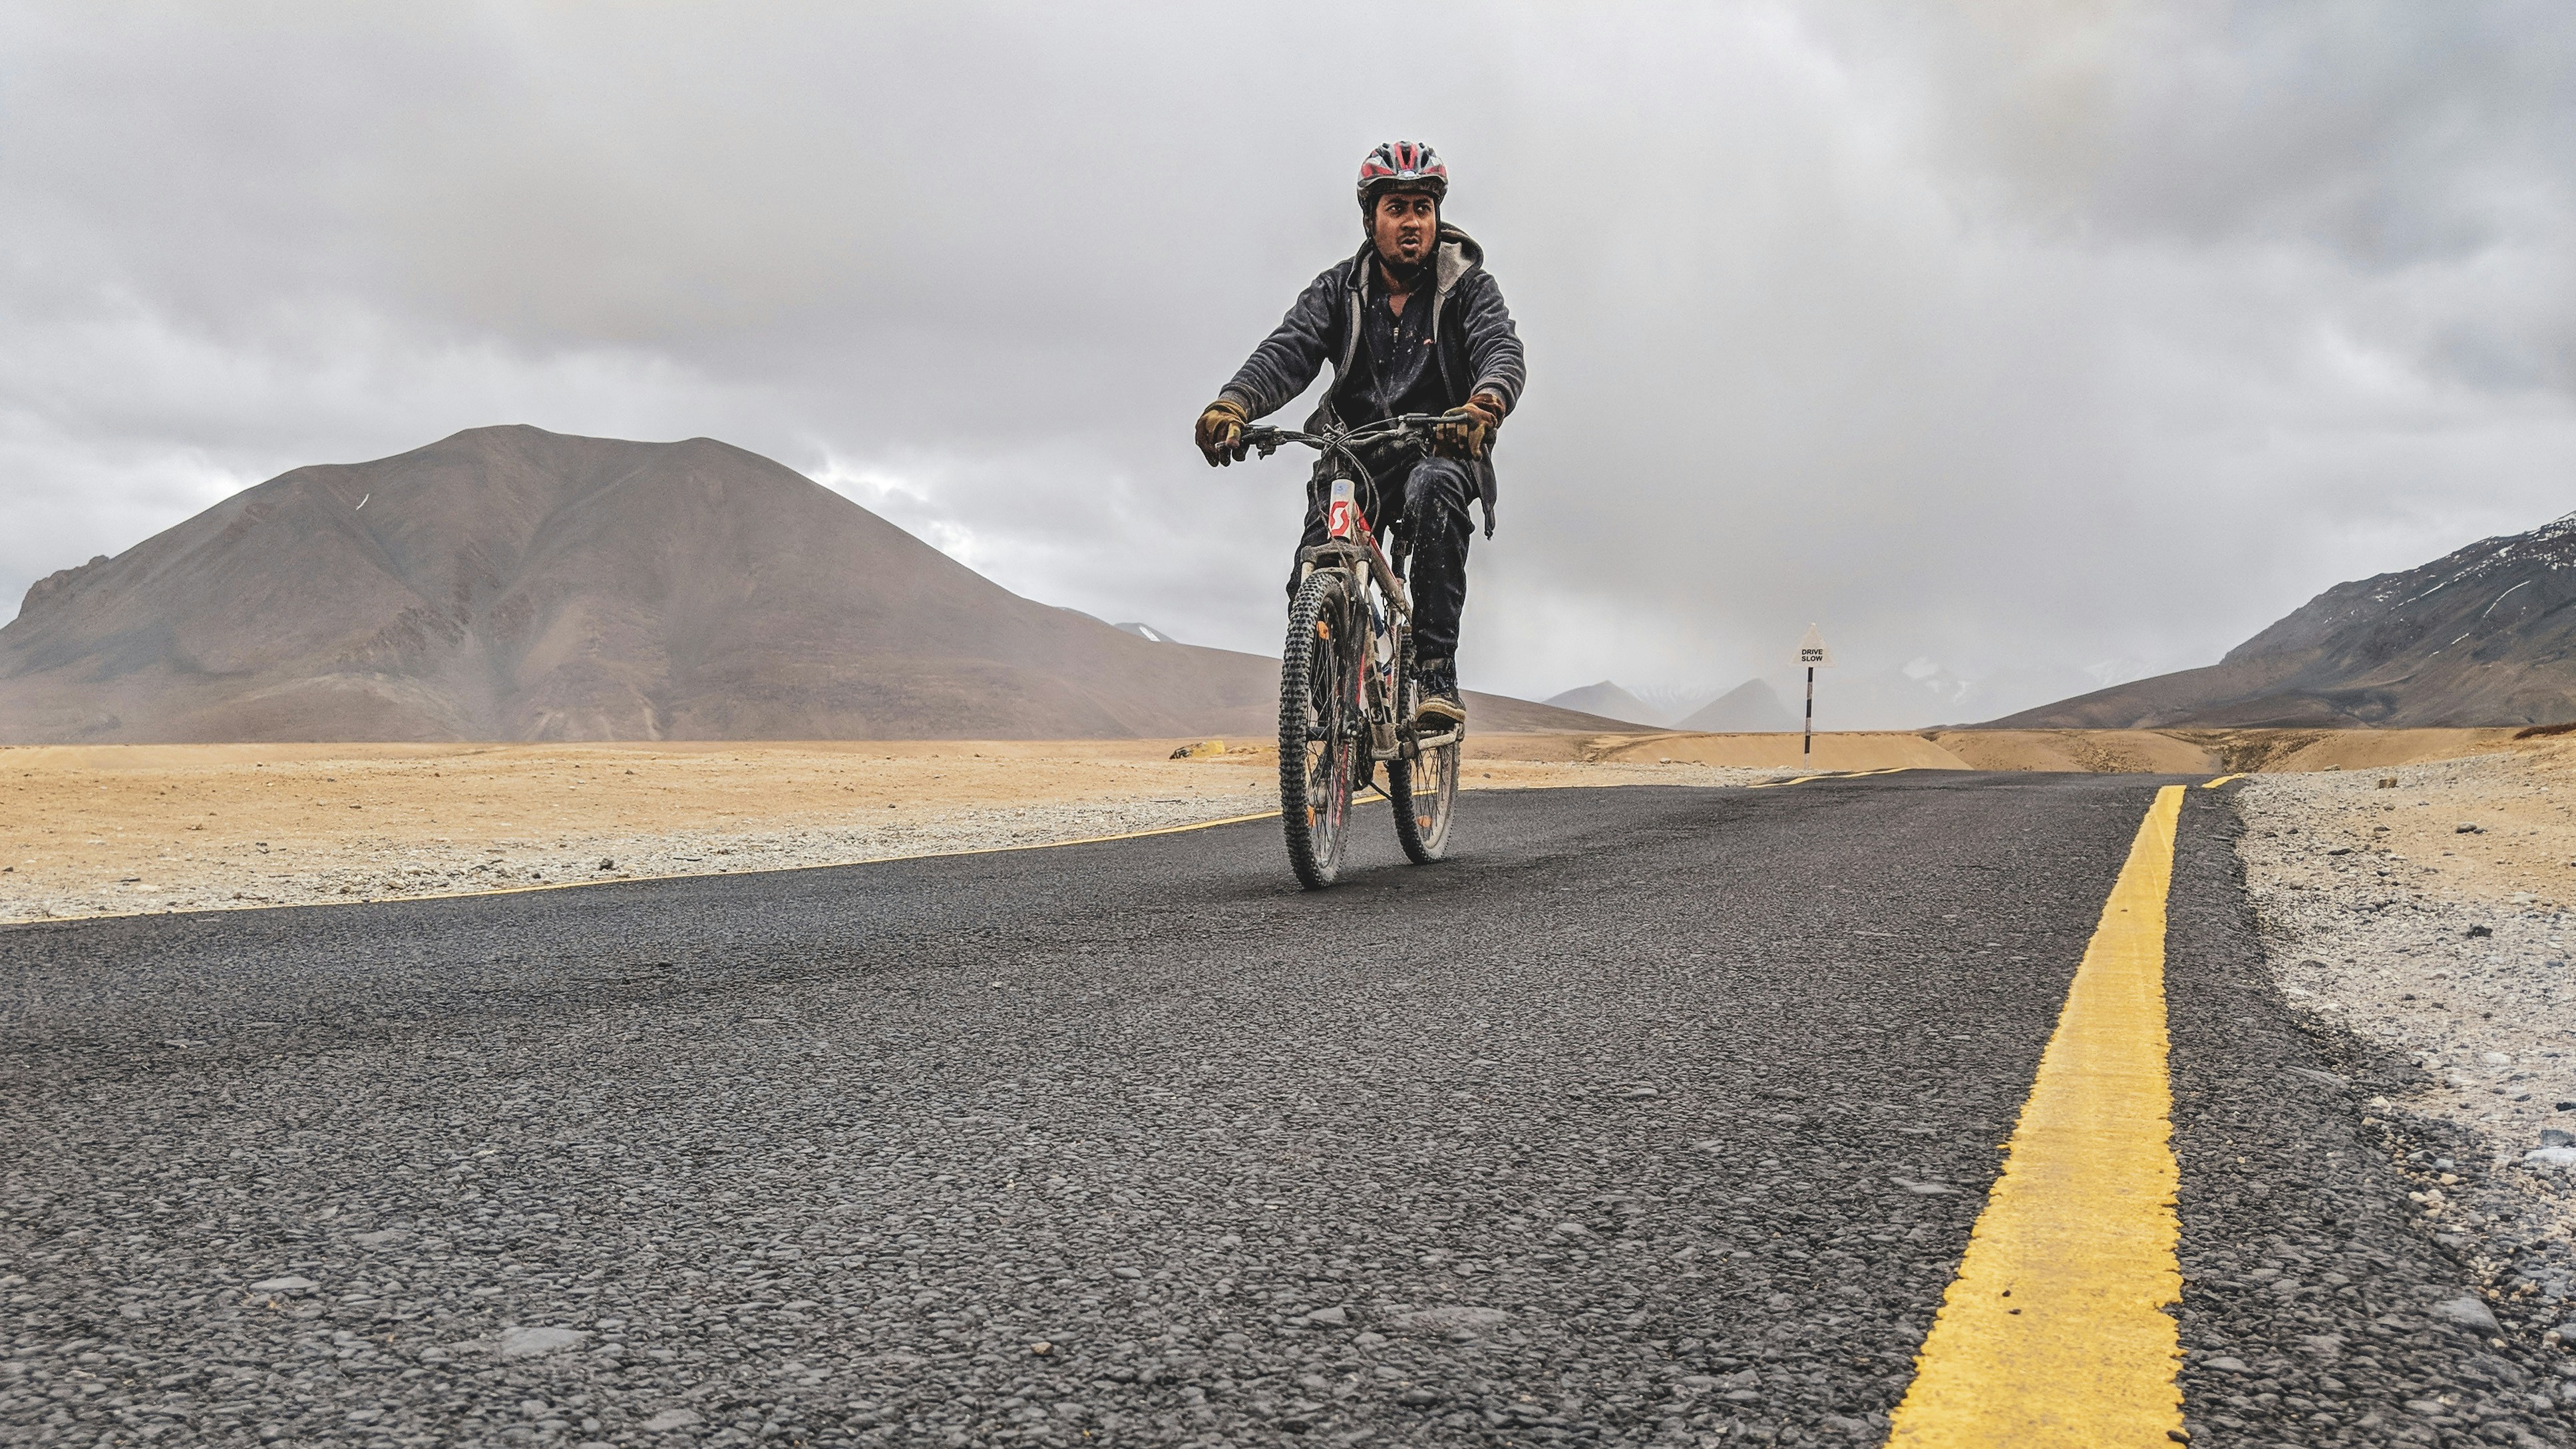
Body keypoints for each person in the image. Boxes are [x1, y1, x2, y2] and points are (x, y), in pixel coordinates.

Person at [1194, 140, 1526, 728]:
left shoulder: (1467, 286)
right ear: (1370, 217)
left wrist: (1485, 403)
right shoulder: (1338, 291)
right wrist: (1234, 403)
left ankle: (1432, 669)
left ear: (1436, 217)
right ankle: (1328, 706)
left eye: (1422, 208)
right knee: (1311, 571)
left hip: (1436, 447)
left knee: (1436, 491)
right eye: (1396, 207)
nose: (1411, 222)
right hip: (1353, 456)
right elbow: (1288, 351)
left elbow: (1499, 347)